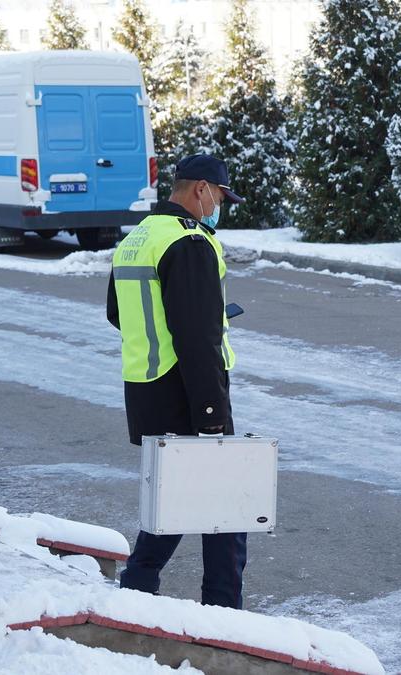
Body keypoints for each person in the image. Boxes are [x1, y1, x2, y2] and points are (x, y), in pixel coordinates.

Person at [106, 154, 246, 609]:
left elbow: (118, 312)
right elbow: (197, 340)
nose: (219, 206)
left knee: (177, 497)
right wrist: (211, 416)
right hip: (189, 393)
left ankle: (137, 587)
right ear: (201, 189)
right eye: (220, 196)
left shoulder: (140, 236)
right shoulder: (189, 242)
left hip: (148, 390)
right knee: (227, 509)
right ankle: (224, 614)